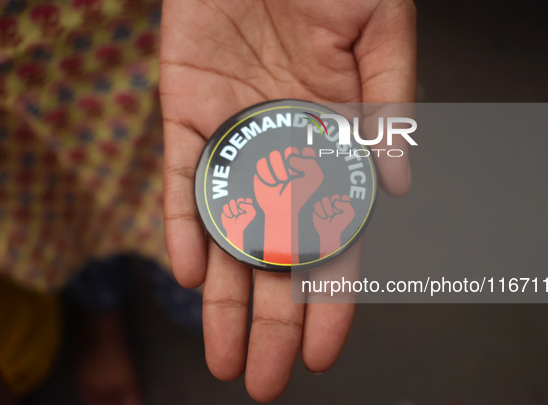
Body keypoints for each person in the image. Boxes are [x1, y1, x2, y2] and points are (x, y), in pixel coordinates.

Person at [0, 0, 416, 402]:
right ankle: (101, 316)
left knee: (193, 261)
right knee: (71, 219)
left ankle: (119, 309)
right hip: (23, 112)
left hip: (171, 43)